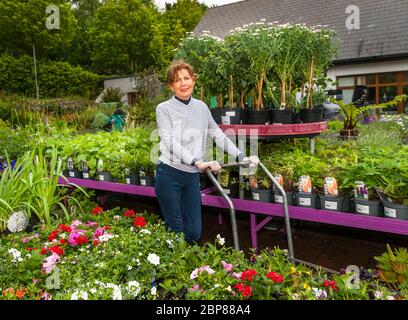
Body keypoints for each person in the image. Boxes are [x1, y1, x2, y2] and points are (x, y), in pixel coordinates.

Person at [154, 60, 259, 243]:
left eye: (187, 78)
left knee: (194, 232)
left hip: (191, 177)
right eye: (178, 80)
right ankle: (177, 266)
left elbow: (218, 135)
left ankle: (183, 261)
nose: (183, 83)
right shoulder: (163, 109)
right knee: (175, 230)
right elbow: (170, 142)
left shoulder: (201, 107)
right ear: (171, 86)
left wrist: (241, 156)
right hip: (169, 174)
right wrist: (196, 161)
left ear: (193, 80)